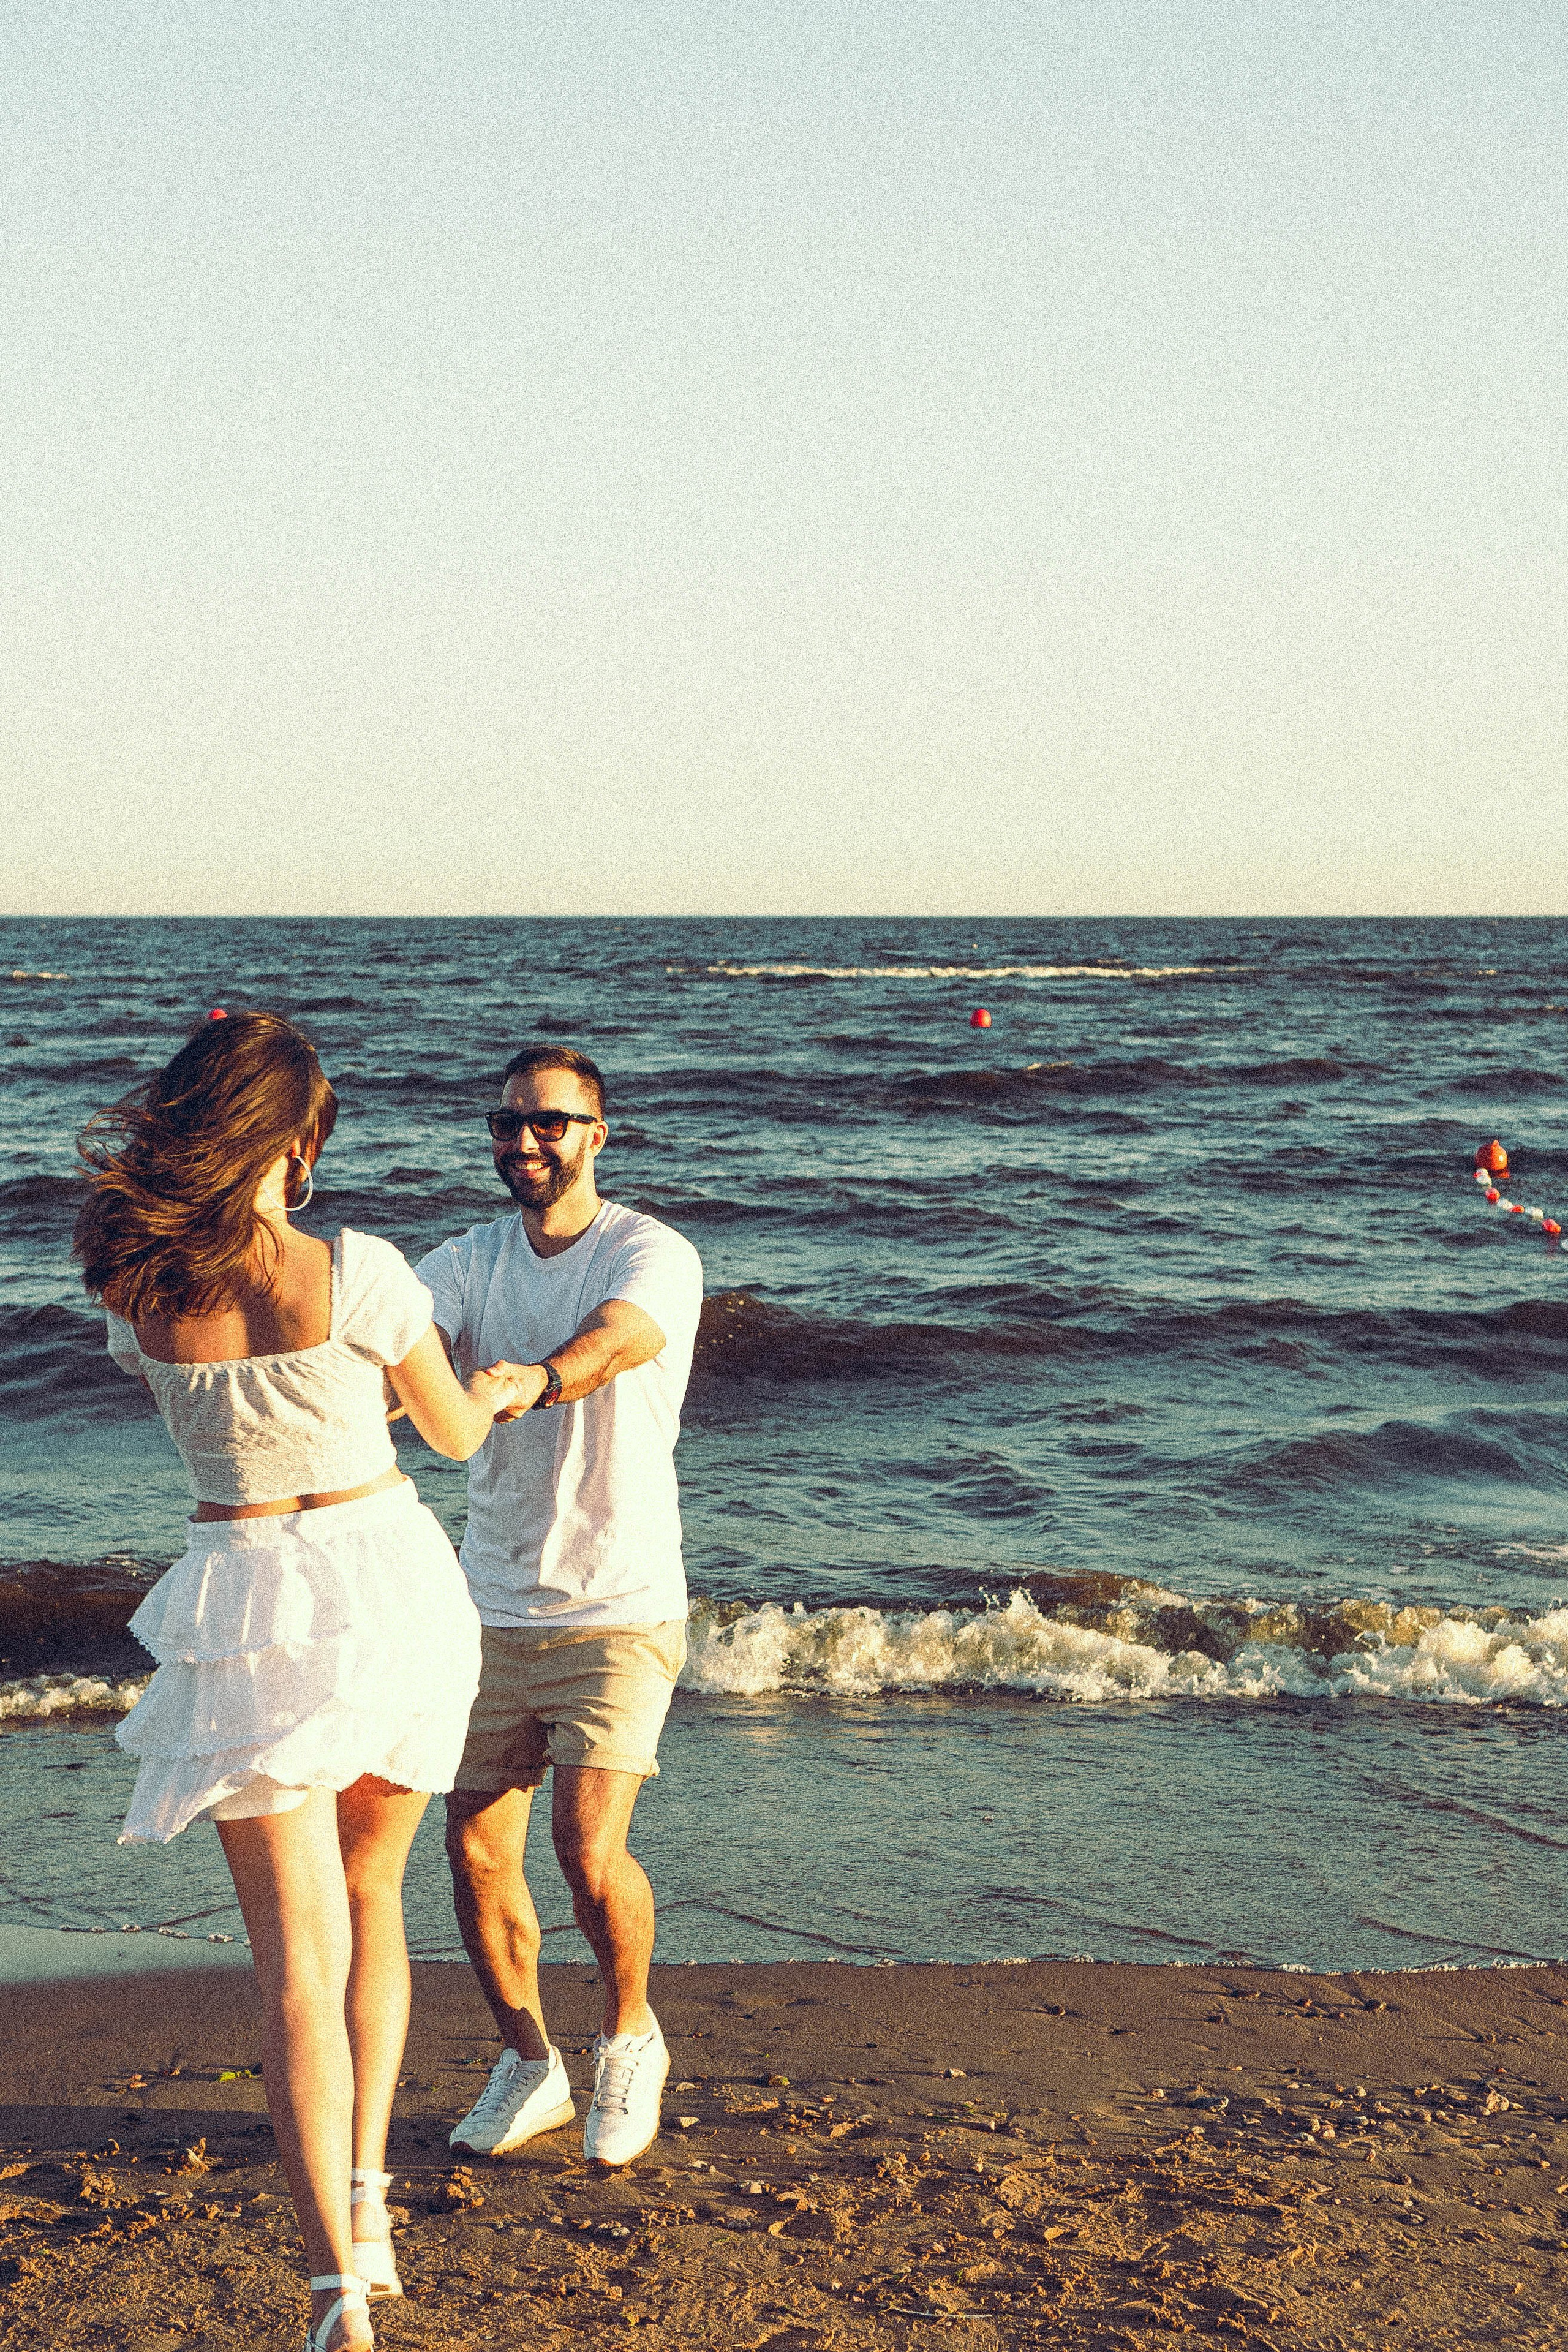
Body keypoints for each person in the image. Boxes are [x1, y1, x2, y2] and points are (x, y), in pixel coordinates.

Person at [75, 1012, 537, 2352]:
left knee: (293, 1960)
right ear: (299, 1137)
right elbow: (447, 1431)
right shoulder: (361, 1269)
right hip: (382, 1581)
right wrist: (498, 1387)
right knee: (371, 1897)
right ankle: (370, 2212)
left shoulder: (135, 1284)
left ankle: (337, 2289)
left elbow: (223, 1409)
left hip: (241, 1595)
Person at [417, 1044, 703, 2169]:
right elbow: (408, 1338)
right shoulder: (466, 1257)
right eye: (507, 1124)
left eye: (549, 1123)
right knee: (477, 1853)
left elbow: (623, 1337)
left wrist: (529, 1378)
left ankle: (630, 2037)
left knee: (589, 1856)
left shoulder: (649, 1250)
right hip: (489, 1604)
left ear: (598, 1133)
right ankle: (530, 2063)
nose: (525, 1141)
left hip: (621, 1605)